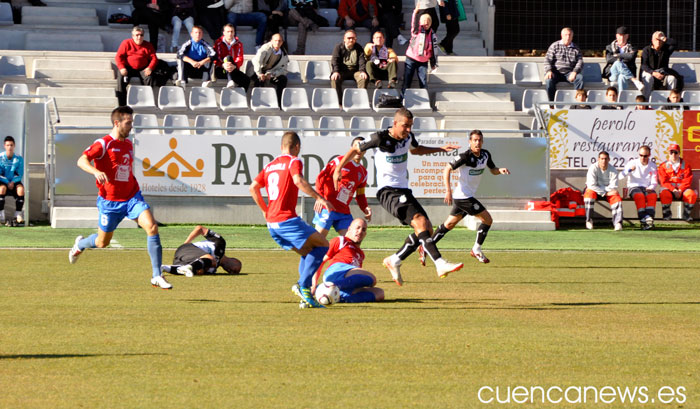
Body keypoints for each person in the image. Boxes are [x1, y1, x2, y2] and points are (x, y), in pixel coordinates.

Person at [332, 108, 463, 286]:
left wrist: (439, 149)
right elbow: (355, 148)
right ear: (395, 123)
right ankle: (440, 263)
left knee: (427, 229)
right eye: (405, 126)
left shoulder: (408, 137)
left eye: (410, 126)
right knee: (419, 221)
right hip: (388, 191)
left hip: (403, 190)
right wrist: (339, 169)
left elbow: (415, 151)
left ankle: (394, 259)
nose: (408, 130)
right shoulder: (379, 138)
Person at [68, 106, 172, 290]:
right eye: (128, 123)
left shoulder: (128, 144)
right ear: (117, 123)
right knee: (102, 242)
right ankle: (80, 245)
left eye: (131, 122)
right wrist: (96, 171)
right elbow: (81, 160)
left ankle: (156, 275)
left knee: (152, 226)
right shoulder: (103, 143)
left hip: (132, 197)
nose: (131, 126)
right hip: (109, 202)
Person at [249, 131, 334, 308]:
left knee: (307, 251)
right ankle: (303, 286)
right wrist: (319, 198)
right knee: (323, 245)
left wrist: (265, 211)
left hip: (272, 223)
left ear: (281, 147)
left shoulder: (270, 165)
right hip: (286, 219)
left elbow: (253, 188)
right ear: (297, 147)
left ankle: (304, 293)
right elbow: (298, 181)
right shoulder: (294, 161)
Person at [424, 130, 509, 264]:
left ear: (482, 141)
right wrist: (448, 190)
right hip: (464, 197)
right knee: (487, 219)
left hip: (465, 197)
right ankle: (476, 249)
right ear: (469, 142)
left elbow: (493, 170)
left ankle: (426, 246)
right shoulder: (464, 157)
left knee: (449, 224)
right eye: (474, 140)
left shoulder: (485, 155)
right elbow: (447, 169)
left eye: (479, 140)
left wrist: (500, 170)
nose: (477, 143)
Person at [311, 218, 384, 303]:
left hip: (347, 280)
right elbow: (319, 261)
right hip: (336, 271)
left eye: (363, 229)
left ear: (365, 234)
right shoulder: (341, 241)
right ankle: (331, 286)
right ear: (349, 229)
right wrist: (313, 284)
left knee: (379, 293)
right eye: (358, 228)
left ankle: (336, 297)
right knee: (371, 278)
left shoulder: (361, 254)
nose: (360, 231)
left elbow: (357, 279)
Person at [314, 137, 372, 238]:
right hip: (327, 207)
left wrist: (365, 208)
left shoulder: (363, 172)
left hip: (343, 212)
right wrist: (319, 197)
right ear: (351, 148)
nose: (359, 149)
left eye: (362, 147)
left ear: (365, 150)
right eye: (356, 146)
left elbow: (360, 195)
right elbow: (321, 177)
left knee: (351, 240)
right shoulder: (339, 162)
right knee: (317, 241)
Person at [161, 225, 242, 276]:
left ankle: (164, 268)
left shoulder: (213, 270)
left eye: (233, 273)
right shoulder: (220, 244)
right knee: (211, 260)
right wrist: (185, 243)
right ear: (235, 260)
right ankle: (189, 267)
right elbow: (199, 228)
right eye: (236, 270)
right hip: (187, 249)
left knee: (196, 271)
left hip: (183, 260)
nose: (232, 272)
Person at [115, 26, 158, 107]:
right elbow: (118, 57)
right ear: (133, 36)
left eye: (141, 35)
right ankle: (122, 104)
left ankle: (146, 101)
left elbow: (154, 58)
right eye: (137, 35)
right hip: (128, 68)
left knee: (149, 77)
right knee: (120, 77)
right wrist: (122, 67)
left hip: (143, 68)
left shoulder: (148, 45)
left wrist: (150, 67)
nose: (139, 37)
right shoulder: (126, 43)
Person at [584, 151, 623, 231]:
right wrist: (605, 192)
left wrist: (606, 192)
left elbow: (613, 186)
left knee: (616, 198)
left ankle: (618, 223)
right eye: (602, 159)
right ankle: (589, 221)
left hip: (608, 191)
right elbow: (591, 185)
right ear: (598, 159)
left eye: (605, 159)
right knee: (588, 195)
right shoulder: (593, 168)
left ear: (609, 159)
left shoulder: (613, 170)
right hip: (596, 190)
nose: (604, 161)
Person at [621, 145, 657, 230]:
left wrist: (651, 187)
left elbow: (654, 181)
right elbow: (620, 176)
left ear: (649, 155)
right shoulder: (632, 163)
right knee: (639, 195)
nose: (643, 158)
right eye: (641, 155)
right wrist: (629, 170)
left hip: (646, 187)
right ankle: (644, 218)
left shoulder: (652, 166)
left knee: (653, 195)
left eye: (645, 156)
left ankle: (648, 220)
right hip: (634, 186)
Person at [658, 143, 697, 221]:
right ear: (668, 153)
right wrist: (674, 190)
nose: (673, 154)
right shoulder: (663, 166)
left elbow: (687, 180)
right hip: (670, 190)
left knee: (691, 194)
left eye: (676, 152)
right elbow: (664, 181)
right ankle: (667, 214)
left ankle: (686, 214)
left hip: (682, 190)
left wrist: (679, 190)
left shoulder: (686, 165)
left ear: (679, 153)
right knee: (664, 193)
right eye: (671, 152)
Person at [544, 27, 584, 103]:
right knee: (549, 81)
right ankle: (552, 104)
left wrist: (575, 72)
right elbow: (547, 59)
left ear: (572, 36)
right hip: (556, 72)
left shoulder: (576, 48)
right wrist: (549, 71)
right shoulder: (555, 46)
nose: (568, 37)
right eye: (566, 35)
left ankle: (578, 103)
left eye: (569, 35)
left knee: (579, 78)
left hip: (569, 73)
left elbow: (580, 62)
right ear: (562, 36)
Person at [402, 11, 437, 95]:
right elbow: (414, 22)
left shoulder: (433, 35)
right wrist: (415, 12)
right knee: (407, 80)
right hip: (411, 59)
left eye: (427, 22)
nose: (425, 24)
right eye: (424, 22)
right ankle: (402, 99)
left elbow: (433, 50)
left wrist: (433, 63)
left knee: (423, 82)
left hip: (423, 61)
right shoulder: (416, 30)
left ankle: (425, 100)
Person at [640, 31, 683, 99]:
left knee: (672, 79)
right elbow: (644, 65)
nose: (658, 42)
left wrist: (664, 38)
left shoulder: (666, 50)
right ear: (652, 40)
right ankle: (646, 102)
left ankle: (670, 102)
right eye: (656, 39)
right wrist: (653, 73)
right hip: (649, 72)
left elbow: (675, 43)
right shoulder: (647, 50)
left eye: (660, 40)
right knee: (648, 78)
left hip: (663, 73)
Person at [250, 33, 289, 107]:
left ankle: (279, 103)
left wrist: (273, 74)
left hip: (271, 73)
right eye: (275, 40)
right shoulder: (265, 48)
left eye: (279, 41)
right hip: (258, 70)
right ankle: (258, 103)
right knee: (260, 79)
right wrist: (259, 73)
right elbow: (257, 61)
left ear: (282, 42)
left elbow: (284, 70)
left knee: (283, 79)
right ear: (271, 41)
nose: (277, 42)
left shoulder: (284, 54)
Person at [603, 26, 644, 92]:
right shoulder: (609, 47)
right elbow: (609, 59)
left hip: (627, 73)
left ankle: (622, 99)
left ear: (627, 36)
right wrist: (625, 57)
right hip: (613, 74)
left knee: (622, 77)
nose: (622, 38)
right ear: (616, 36)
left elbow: (631, 57)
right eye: (620, 35)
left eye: (624, 35)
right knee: (617, 63)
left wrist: (618, 55)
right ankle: (635, 80)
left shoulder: (632, 47)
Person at [331, 30, 368, 102]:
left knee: (363, 79)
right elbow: (335, 60)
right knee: (334, 79)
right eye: (349, 38)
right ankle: (339, 103)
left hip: (355, 71)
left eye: (353, 38)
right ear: (344, 39)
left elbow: (362, 60)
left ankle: (359, 102)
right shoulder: (338, 47)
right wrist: (335, 71)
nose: (351, 40)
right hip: (342, 71)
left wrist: (362, 71)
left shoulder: (359, 47)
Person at [213, 23, 251, 90]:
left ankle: (238, 98)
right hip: (221, 70)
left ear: (234, 33)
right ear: (224, 33)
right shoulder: (218, 43)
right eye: (228, 32)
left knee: (246, 80)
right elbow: (217, 57)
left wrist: (235, 66)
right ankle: (230, 80)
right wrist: (223, 65)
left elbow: (240, 58)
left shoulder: (239, 44)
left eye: (232, 31)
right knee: (228, 57)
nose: (230, 33)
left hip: (233, 69)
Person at [0, 135, 24, 226]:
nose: (9, 147)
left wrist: (13, 182)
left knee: (21, 190)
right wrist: (7, 182)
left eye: (11, 145)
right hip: (3, 181)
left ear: (14, 146)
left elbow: (20, 173)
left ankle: (18, 214)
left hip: (14, 182)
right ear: (4, 146)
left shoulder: (19, 158)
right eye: (8, 145)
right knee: (1, 189)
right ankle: (1, 214)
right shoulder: (0, 157)